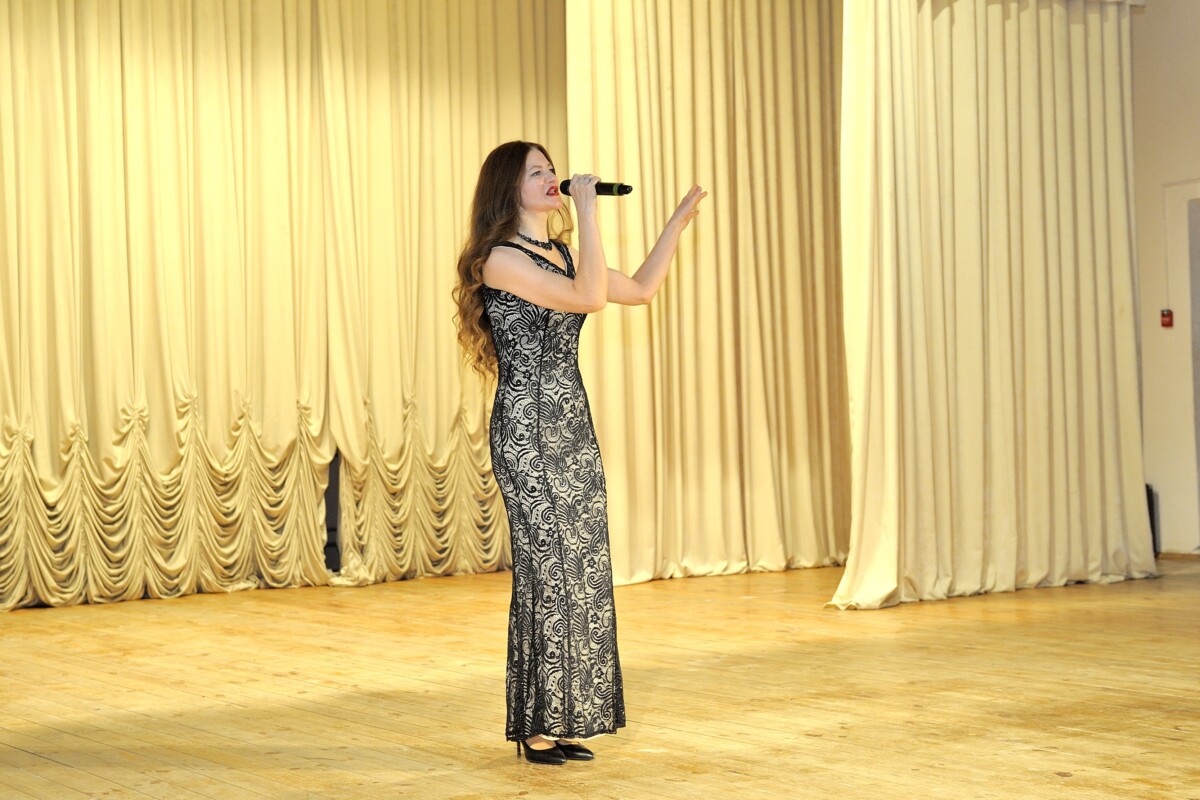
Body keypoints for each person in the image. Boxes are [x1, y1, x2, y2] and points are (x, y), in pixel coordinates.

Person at [453, 141, 706, 765]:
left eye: (551, 170)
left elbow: (640, 290)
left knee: (582, 570)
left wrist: (675, 225)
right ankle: (534, 725)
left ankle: (563, 717)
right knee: (547, 571)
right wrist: (588, 213)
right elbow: (590, 297)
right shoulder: (500, 260)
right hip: (527, 430)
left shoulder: (564, 255)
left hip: (571, 428)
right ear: (509, 188)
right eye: (536, 173)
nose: (552, 179)